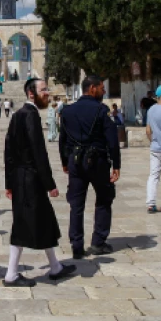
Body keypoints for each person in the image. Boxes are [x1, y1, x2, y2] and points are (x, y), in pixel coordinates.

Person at [3, 78, 76, 287]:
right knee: (23, 225)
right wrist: (49, 184)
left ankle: (55, 267)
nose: (48, 92)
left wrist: (9, 182)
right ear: (31, 93)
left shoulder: (18, 115)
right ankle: (11, 274)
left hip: (20, 178)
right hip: (30, 179)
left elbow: (8, 151)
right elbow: (38, 152)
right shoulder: (30, 115)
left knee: (43, 221)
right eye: (43, 89)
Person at [59, 75, 121, 257]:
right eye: (102, 88)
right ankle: (98, 242)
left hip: (75, 162)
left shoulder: (68, 111)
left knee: (76, 205)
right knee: (103, 199)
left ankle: (76, 246)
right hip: (98, 162)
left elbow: (62, 141)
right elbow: (112, 140)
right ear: (92, 88)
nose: (105, 91)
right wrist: (116, 165)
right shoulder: (101, 110)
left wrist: (65, 162)